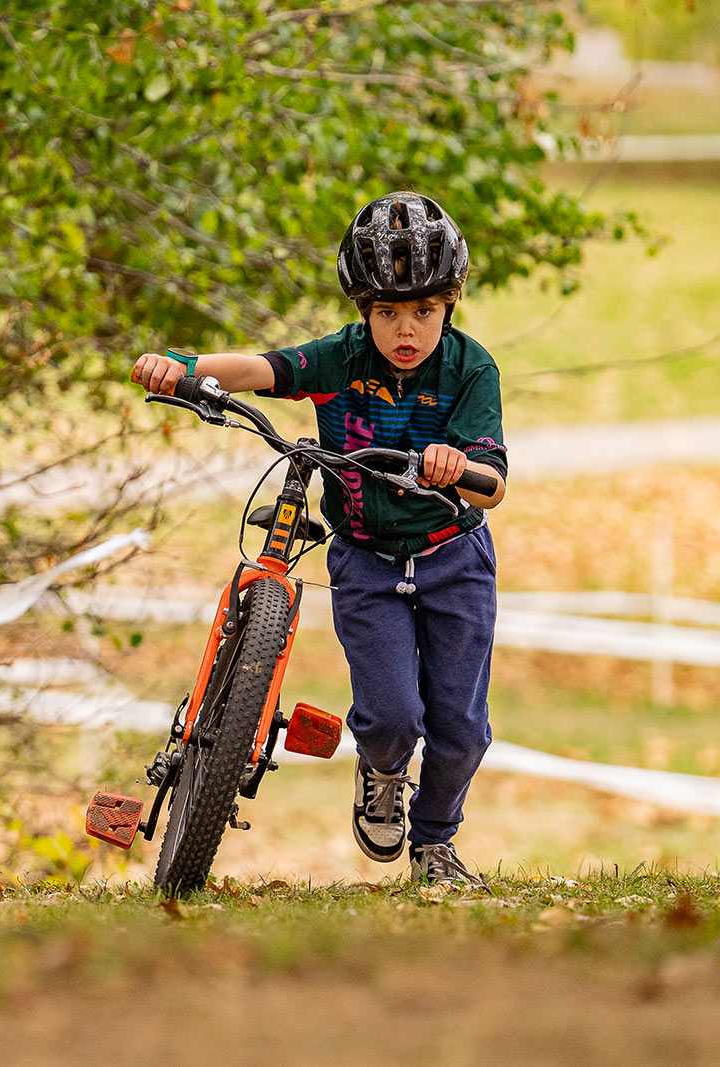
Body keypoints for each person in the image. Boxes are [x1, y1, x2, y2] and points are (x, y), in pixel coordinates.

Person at [131, 191, 507, 886]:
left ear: (450, 303)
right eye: (388, 312)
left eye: (424, 311)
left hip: (454, 559)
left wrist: (459, 466)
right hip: (366, 559)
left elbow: (494, 483)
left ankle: (435, 844)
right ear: (363, 309)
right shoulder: (345, 357)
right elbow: (262, 369)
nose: (406, 330)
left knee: (460, 727)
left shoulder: (469, 369)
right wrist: (185, 367)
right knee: (392, 715)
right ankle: (384, 769)